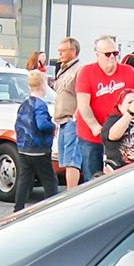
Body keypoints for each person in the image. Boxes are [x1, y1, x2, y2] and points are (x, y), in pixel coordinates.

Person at [75, 35, 134, 182]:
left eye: (115, 53)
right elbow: (83, 105)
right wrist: (94, 126)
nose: (112, 57)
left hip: (120, 135)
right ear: (97, 55)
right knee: (92, 178)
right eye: (107, 54)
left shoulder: (128, 71)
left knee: (118, 178)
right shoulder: (86, 72)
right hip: (91, 136)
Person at [12, 68, 59, 211]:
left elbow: (17, 125)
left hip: (23, 148)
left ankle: (18, 208)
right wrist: (53, 126)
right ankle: (52, 208)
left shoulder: (24, 104)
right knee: (50, 180)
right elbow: (42, 124)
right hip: (39, 149)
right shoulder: (40, 105)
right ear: (43, 86)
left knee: (25, 179)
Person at [50, 37, 84, 189]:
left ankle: (71, 193)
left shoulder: (79, 70)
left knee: (72, 161)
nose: (60, 53)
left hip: (72, 120)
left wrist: (76, 117)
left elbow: (82, 95)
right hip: (61, 121)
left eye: (63, 51)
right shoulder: (62, 69)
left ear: (73, 51)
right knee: (64, 160)